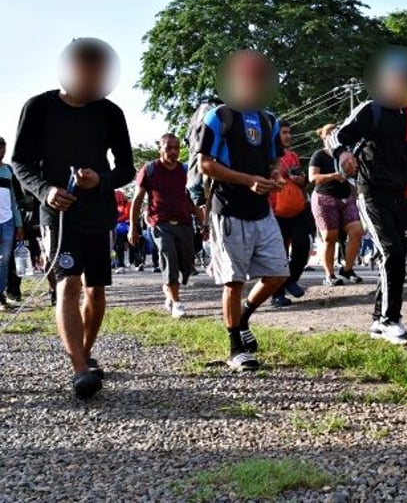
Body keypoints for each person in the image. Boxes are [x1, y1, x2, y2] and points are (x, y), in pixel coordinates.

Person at [12, 37, 134, 398]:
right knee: (69, 283)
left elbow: (126, 168)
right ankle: (79, 368)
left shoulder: (111, 113)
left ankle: (86, 352)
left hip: (98, 212)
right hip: (58, 212)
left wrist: (101, 181)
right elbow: (20, 163)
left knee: (96, 290)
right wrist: (45, 190)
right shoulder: (38, 108)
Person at [329, 47, 407, 345]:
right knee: (392, 252)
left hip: (399, 195)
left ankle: (379, 320)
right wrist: (342, 152)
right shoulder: (370, 109)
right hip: (371, 193)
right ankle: (391, 320)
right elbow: (338, 135)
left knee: (397, 255)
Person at [197, 50, 289, 371]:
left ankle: (245, 317)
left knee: (279, 273)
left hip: (261, 209)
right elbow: (205, 164)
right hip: (229, 210)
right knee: (233, 281)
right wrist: (248, 180)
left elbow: (275, 157)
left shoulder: (269, 120)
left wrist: (275, 174)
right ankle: (235, 348)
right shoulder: (219, 117)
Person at [129, 133, 201, 319]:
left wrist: (204, 224)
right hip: (160, 224)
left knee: (186, 265)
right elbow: (137, 200)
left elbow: (194, 200)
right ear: (159, 149)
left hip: (184, 223)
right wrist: (132, 227)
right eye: (168, 148)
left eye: (176, 148)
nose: (173, 152)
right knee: (169, 259)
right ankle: (177, 303)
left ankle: (169, 292)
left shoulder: (185, 170)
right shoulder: (150, 169)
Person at [309, 124, 364, 287]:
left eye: (336, 132)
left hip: (346, 198)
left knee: (357, 231)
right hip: (325, 198)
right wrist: (332, 176)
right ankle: (329, 274)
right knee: (329, 237)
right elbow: (313, 178)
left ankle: (347, 269)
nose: (332, 135)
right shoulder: (319, 155)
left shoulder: (347, 154)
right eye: (329, 133)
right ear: (323, 137)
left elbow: (356, 173)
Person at [269, 119, 313, 306]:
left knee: (303, 245)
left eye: (289, 132)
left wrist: (301, 180)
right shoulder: (266, 154)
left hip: (296, 208)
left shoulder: (293, 155)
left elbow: (303, 180)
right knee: (279, 254)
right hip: (274, 210)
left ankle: (290, 279)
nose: (288, 136)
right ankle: (276, 294)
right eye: (284, 132)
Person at [0, 138, 24, 308]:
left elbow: (14, 198)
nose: (1, 151)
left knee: (5, 260)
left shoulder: (8, 170)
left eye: (3, 148)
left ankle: (1, 295)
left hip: (7, 220)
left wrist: (19, 223)